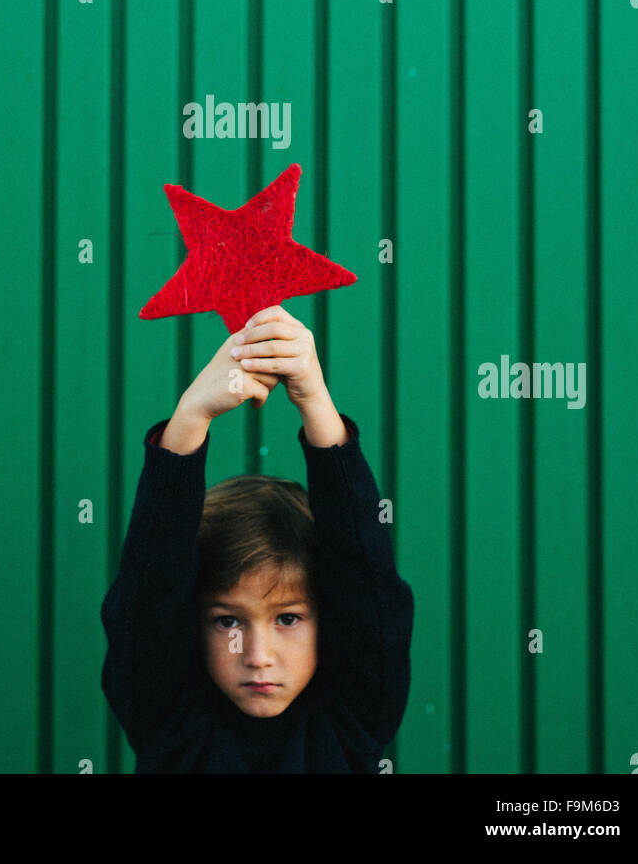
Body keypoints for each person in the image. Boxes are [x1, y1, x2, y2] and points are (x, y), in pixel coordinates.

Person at [100, 304, 415, 773]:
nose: (257, 657)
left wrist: (315, 401)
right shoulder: (170, 724)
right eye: (227, 621)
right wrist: (190, 416)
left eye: (288, 618)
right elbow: (149, 601)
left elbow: (366, 586)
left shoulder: (353, 720)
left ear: (329, 617)